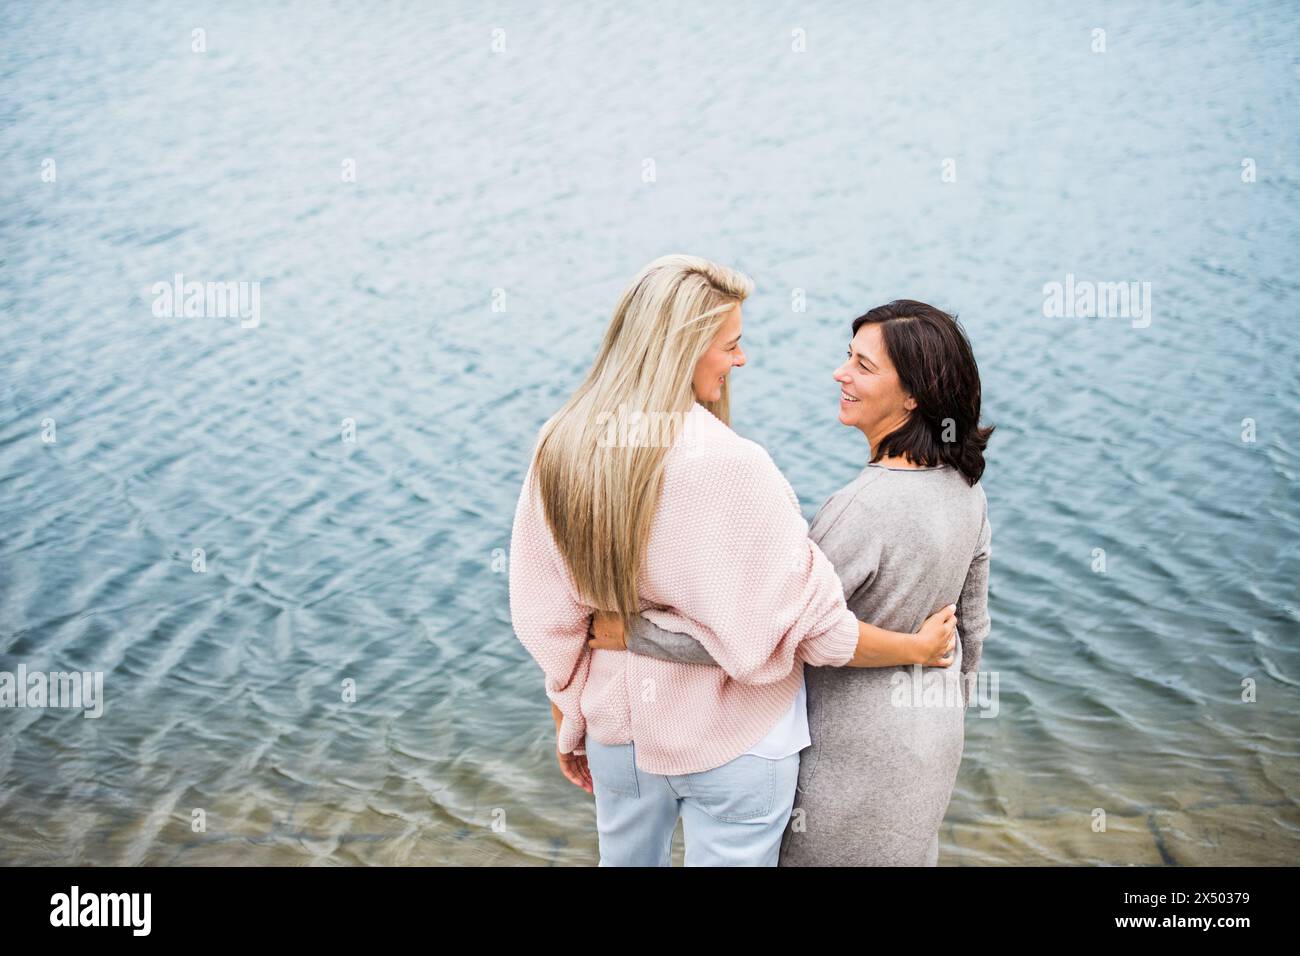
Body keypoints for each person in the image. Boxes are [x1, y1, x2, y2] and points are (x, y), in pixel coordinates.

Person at [508, 259, 958, 866]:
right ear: (684, 347)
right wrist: (915, 650)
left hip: (620, 733)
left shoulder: (559, 444)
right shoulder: (735, 466)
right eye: (731, 345)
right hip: (737, 743)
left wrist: (568, 713)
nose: (739, 361)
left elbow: (547, 612)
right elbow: (810, 629)